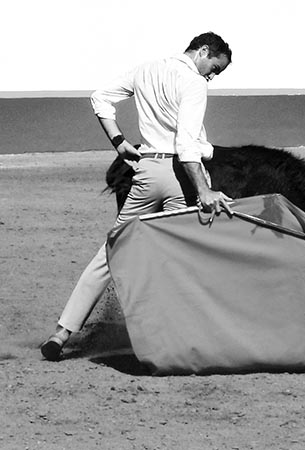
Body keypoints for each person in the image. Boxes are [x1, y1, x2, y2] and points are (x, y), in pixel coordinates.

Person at [41, 32, 233, 361]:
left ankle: (62, 333)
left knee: (111, 252)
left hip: (145, 172)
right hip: (178, 177)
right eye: (214, 67)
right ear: (202, 51)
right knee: (179, 256)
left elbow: (100, 97)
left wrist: (118, 142)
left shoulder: (147, 69)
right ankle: (174, 337)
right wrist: (204, 189)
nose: (212, 77)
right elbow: (187, 146)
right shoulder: (193, 83)